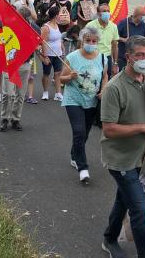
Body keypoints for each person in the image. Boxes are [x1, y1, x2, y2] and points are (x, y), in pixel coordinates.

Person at [100, 35, 145, 258]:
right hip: (121, 160)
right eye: (140, 55)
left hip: (141, 157)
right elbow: (109, 129)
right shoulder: (114, 89)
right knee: (139, 209)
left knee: (123, 200)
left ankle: (109, 238)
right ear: (128, 57)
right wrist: (143, 128)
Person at [60, 27, 108, 184]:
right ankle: (83, 169)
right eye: (88, 40)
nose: (91, 43)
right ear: (82, 40)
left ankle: (75, 154)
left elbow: (105, 75)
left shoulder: (102, 58)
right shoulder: (72, 57)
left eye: (94, 41)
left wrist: (103, 89)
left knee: (84, 133)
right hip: (73, 99)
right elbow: (61, 79)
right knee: (79, 131)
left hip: (92, 100)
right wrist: (69, 76)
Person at [0, 7, 38, 132]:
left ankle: (16, 119)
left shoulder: (33, 28)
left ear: (26, 18)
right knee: (7, 93)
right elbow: (0, 25)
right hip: (9, 64)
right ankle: (4, 118)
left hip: (25, 64)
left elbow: (38, 41)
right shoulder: (9, 25)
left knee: (20, 94)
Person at [86, 3, 119, 79]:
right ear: (98, 13)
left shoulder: (113, 26)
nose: (106, 13)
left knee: (106, 80)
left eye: (108, 11)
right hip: (93, 57)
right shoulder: (90, 26)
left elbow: (115, 46)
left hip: (107, 58)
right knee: (92, 80)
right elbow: (83, 43)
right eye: (104, 11)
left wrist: (115, 63)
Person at [41, 6, 65, 101]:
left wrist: (62, 47)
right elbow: (43, 42)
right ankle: (45, 92)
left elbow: (59, 38)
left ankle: (58, 93)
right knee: (46, 73)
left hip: (58, 54)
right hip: (49, 54)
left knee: (58, 73)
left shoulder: (57, 25)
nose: (61, 16)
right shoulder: (46, 27)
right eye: (59, 14)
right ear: (55, 16)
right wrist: (45, 56)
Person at [117, 6, 145, 70]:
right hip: (124, 58)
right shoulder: (123, 23)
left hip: (138, 58)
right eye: (143, 15)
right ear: (137, 15)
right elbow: (114, 37)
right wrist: (123, 39)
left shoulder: (143, 25)